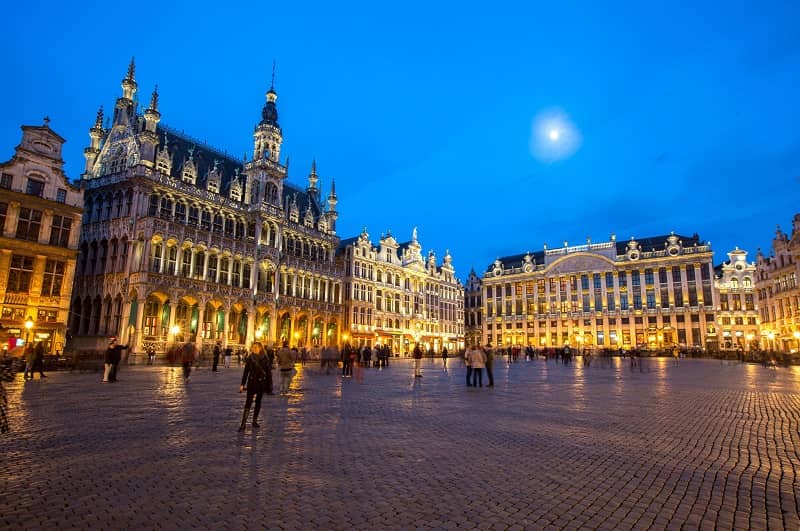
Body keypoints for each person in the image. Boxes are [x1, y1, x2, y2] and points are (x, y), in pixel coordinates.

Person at [238, 342, 269, 431]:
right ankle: (243, 424)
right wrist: (242, 384)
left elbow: (267, 373)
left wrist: (268, 386)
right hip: (251, 382)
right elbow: (246, 372)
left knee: (258, 402)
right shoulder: (250, 358)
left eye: (256, 347)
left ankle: (254, 421)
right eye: (253, 347)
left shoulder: (264, 358)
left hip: (261, 383)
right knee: (248, 402)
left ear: (260, 348)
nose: (254, 349)